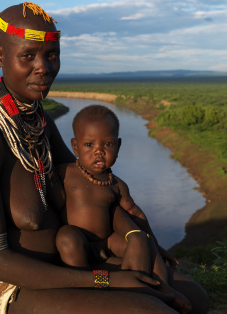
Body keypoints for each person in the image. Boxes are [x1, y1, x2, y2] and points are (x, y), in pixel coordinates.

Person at [0, 1, 209, 314]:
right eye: (28, 55)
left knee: (194, 297)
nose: (43, 67)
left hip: (67, 265)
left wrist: (141, 238)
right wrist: (105, 282)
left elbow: (91, 191)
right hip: (10, 289)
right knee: (153, 310)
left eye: (51, 55)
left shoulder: (38, 122)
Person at [54, 104, 191, 313]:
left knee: (139, 239)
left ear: (117, 146)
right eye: (89, 144)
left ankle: (150, 288)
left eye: (107, 144)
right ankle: (86, 291)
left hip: (107, 240)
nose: (99, 151)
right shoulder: (65, 174)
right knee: (67, 236)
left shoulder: (117, 184)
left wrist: (156, 244)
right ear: (75, 147)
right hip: (80, 242)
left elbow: (135, 213)